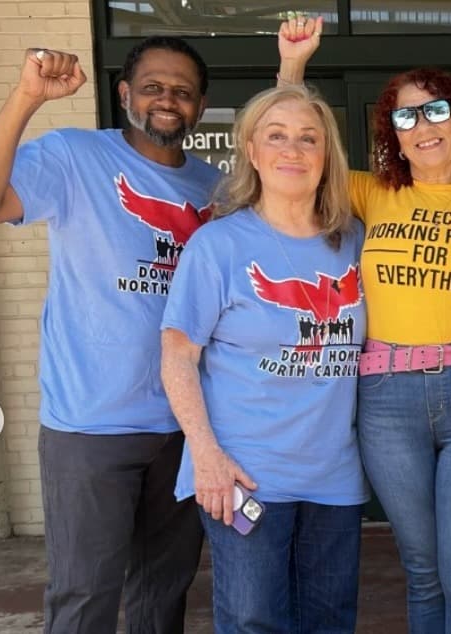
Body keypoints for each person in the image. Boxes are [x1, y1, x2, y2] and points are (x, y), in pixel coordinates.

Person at [278, 17, 451, 633]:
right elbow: (290, 146)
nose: (423, 126)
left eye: (435, 110)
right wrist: (292, 68)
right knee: (421, 569)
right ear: (392, 133)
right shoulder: (370, 193)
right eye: (405, 116)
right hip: (387, 397)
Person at [0, 39, 214, 632]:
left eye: (182, 91)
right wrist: (28, 97)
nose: (167, 100)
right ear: (125, 94)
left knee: (164, 597)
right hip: (90, 426)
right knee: (85, 598)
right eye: (154, 86)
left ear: (200, 108)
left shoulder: (216, 189)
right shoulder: (74, 157)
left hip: (185, 429)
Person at [161, 83, 367, 632]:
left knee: (329, 621)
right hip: (245, 472)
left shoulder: (354, 242)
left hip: (333, 473)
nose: (292, 151)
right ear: (252, 151)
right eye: (276, 137)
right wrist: (205, 455)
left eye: (308, 138)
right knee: (255, 621)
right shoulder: (219, 245)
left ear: (328, 156)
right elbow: (177, 357)